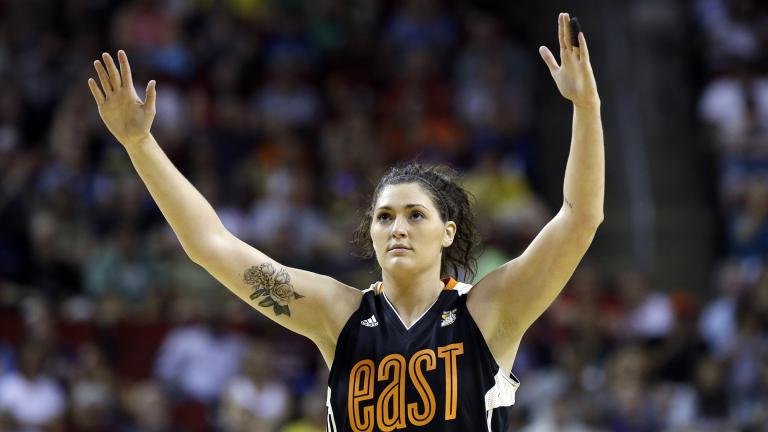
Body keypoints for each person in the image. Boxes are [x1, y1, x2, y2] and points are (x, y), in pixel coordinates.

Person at [88, 12, 603, 432]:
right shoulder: (337, 314)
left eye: (414, 215)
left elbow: (580, 218)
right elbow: (210, 244)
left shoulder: (491, 310)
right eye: (384, 217)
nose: (396, 227)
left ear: (448, 232)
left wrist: (586, 106)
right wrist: (140, 144)